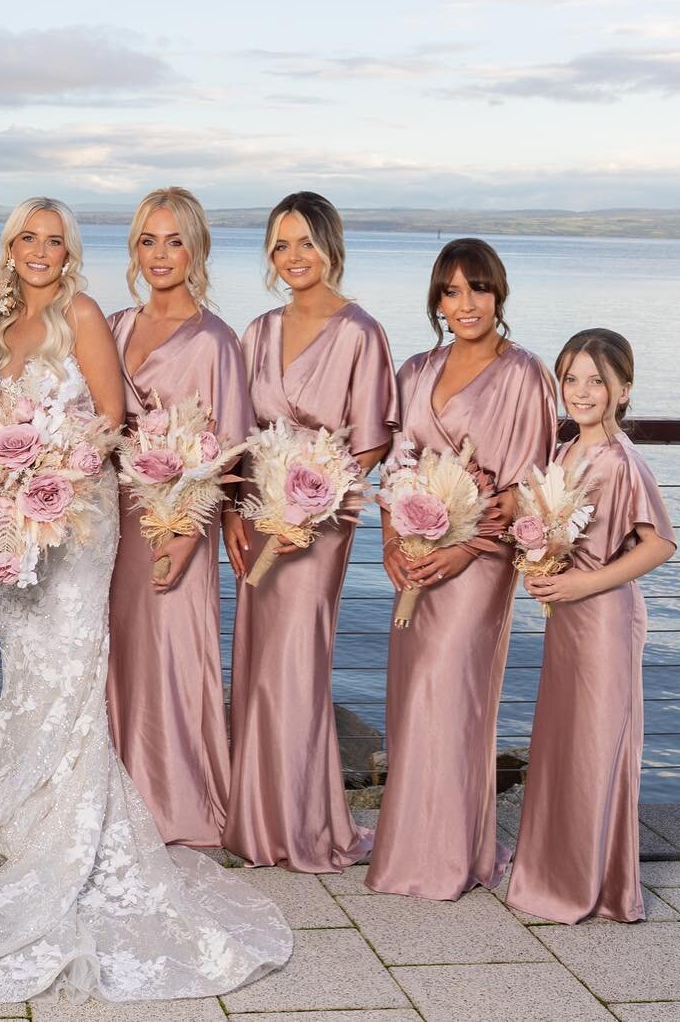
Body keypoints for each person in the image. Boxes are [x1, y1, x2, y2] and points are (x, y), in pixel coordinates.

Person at [0, 199, 292, 1002]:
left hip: (76, 519)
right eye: (28, 239)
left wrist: (51, 469)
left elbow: (112, 417)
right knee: (29, 666)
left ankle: (69, 818)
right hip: (16, 523)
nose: (42, 250)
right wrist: (4, 483)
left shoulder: (83, 313)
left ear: (71, 251)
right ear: (9, 249)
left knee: (73, 662)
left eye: (56, 240)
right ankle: (24, 803)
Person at [366, 238, 555, 900]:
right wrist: (393, 541)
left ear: (498, 293)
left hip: (478, 564)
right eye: (451, 290)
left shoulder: (525, 373)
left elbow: (527, 483)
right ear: (437, 301)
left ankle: (447, 856)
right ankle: (409, 847)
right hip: (414, 557)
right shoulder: (415, 369)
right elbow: (393, 465)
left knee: (453, 693)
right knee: (412, 695)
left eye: (478, 287)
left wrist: (461, 548)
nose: (466, 302)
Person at [224, 192, 397, 872]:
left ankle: (297, 824)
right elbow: (236, 433)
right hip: (258, 512)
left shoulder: (361, 332)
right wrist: (237, 513)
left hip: (321, 521)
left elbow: (374, 439)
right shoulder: (257, 331)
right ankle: (258, 815)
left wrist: (317, 498)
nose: (293, 257)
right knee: (257, 656)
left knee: (297, 656)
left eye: (305, 242)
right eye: (280, 245)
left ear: (331, 245)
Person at [507, 329, 676, 923]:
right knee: (563, 741)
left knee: (595, 747)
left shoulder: (622, 460)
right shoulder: (563, 452)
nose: (581, 391)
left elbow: (659, 545)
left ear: (622, 390)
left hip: (604, 618)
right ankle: (553, 872)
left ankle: (594, 885)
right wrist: (541, 566)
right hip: (567, 621)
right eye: (571, 378)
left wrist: (581, 582)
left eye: (596, 381)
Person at [105, 187, 249, 847]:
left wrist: (190, 535)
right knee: (116, 649)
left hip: (176, 522)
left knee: (169, 651)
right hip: (111, 516)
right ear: (135, 248)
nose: (160, 254)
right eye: (148, 240)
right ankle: (114, 794)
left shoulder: (217, 342)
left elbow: (229, 451)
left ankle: (173, 803)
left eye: (174, 240)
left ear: (197, 248)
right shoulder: (114, 326)